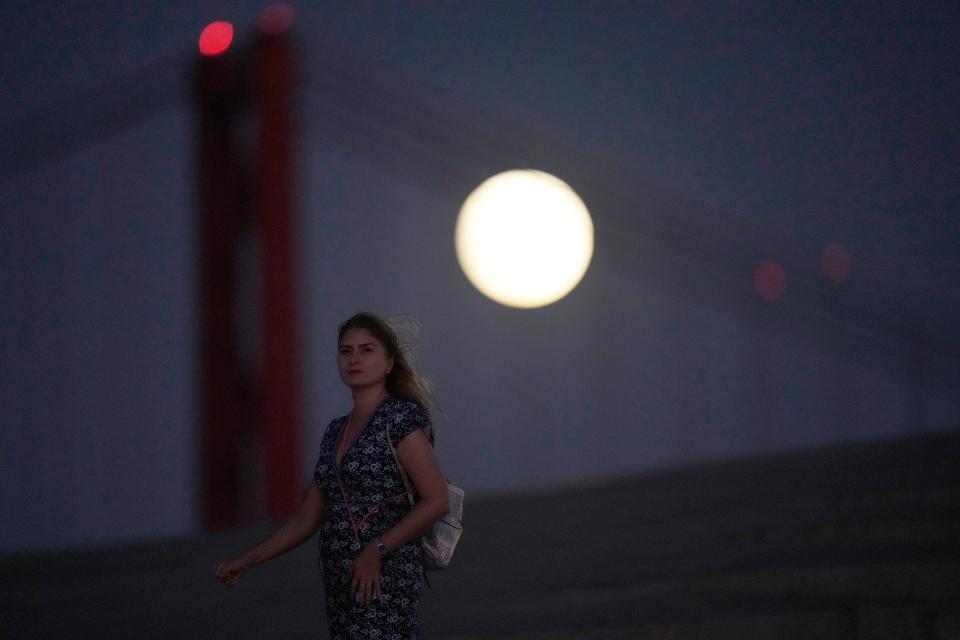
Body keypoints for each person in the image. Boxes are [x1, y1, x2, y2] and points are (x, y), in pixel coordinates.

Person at [216, 312, 450, 639]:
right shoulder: (335, 432)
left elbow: (436, 500)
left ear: (389, 363)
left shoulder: (400, 418)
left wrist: (376, 550)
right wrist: (248, 560)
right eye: (346, 350)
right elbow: (306, 518)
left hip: (385, 573)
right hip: (342, 577)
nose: (354, 358)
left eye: (367, 350)